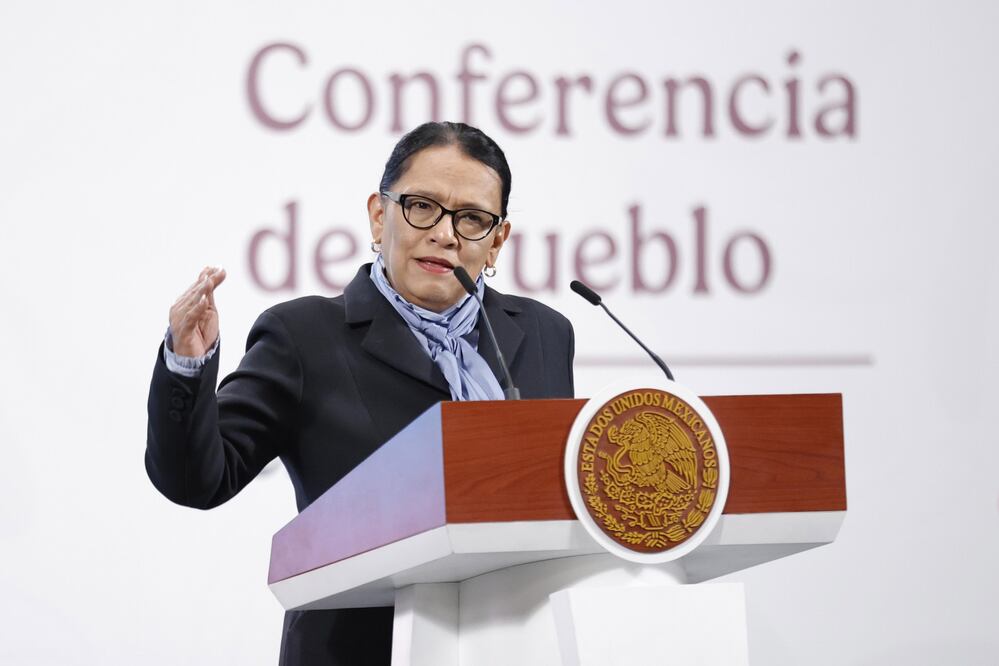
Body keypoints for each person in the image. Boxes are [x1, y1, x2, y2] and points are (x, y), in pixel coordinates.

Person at [145, 121, 575, 666]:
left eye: (471, 218)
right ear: (379, 214)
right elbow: (199, 479)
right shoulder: (304, 336)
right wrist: (188, 364)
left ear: (497, 240)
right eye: (422, 206)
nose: (444, 234)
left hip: (518, 644)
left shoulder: (543, 334)